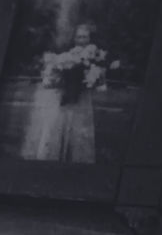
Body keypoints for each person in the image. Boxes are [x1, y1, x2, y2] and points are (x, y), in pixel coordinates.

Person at [21, 24, 103, 163]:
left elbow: (99, 78)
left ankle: (78, 158)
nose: (81, 40)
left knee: (80, 128)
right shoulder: (69, 55)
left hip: (83, 97)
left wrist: (92, 77)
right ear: (74, 38)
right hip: (68, 94)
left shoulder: (95, 54)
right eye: (78, 36)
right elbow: (60, 72)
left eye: (84, 37)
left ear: (89, 38)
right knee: (64, 124)